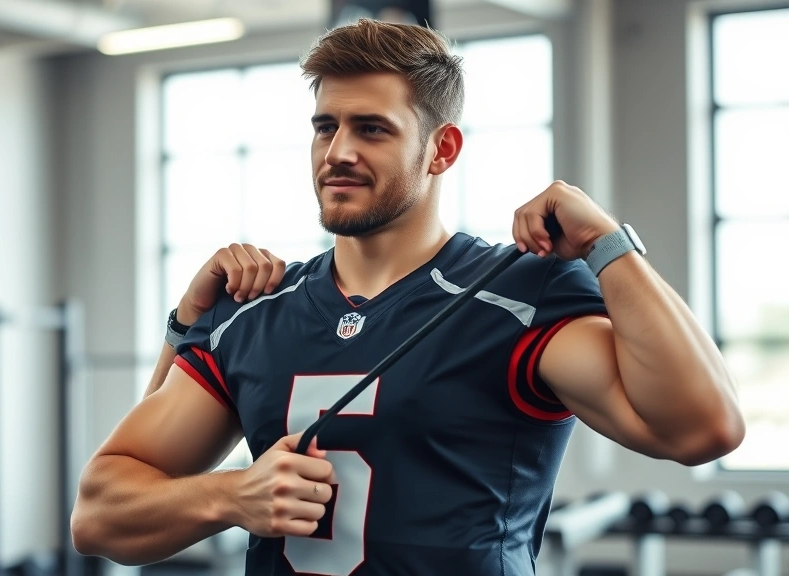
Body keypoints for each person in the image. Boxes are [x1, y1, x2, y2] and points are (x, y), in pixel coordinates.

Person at [71, 19, 745, 575]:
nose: (337, 151)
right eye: (324, 126)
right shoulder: (258, 309)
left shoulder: (515, 298)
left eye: (372, 129)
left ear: (441, 150)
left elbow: (702, 429)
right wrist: (228, 493)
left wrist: (605, 242)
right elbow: (100, 516)